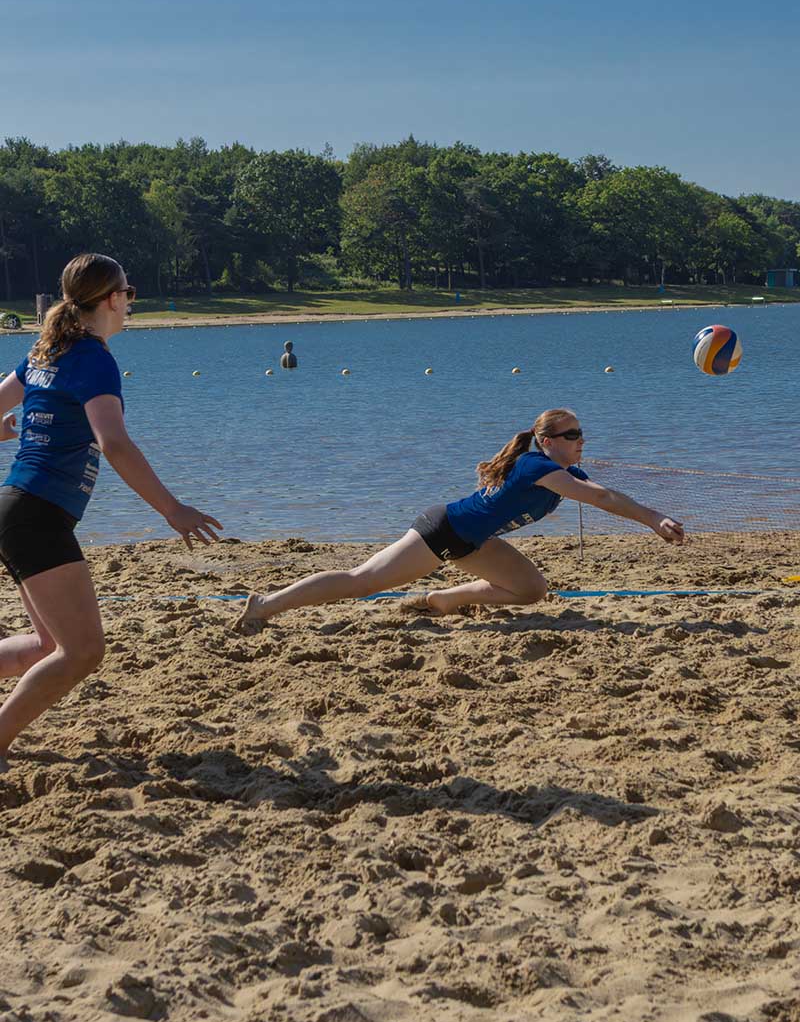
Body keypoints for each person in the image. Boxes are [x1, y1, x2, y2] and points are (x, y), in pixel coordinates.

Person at [0, 253, 222, 772]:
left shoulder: (47, 349)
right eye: (129, 292)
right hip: (35, 515)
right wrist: (173, 509)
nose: (130, 303)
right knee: (82, 653)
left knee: (46, 646)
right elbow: (115, 444)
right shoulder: (95, 358)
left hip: (16, 508)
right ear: (111, 299)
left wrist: (8, 430)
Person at [234, 407, 683, 635]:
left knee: (532, 591)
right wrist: (654, 517)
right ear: (546, 442)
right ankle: (265, 606)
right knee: (361, 582)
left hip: (476, 541)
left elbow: (602, 492)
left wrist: (648, 514)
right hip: (442, 531)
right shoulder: (534, 466)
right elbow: (600, 497)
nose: (581, 440)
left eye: (582, 433)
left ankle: (442, 600)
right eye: (572, 435)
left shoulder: (566, 472)